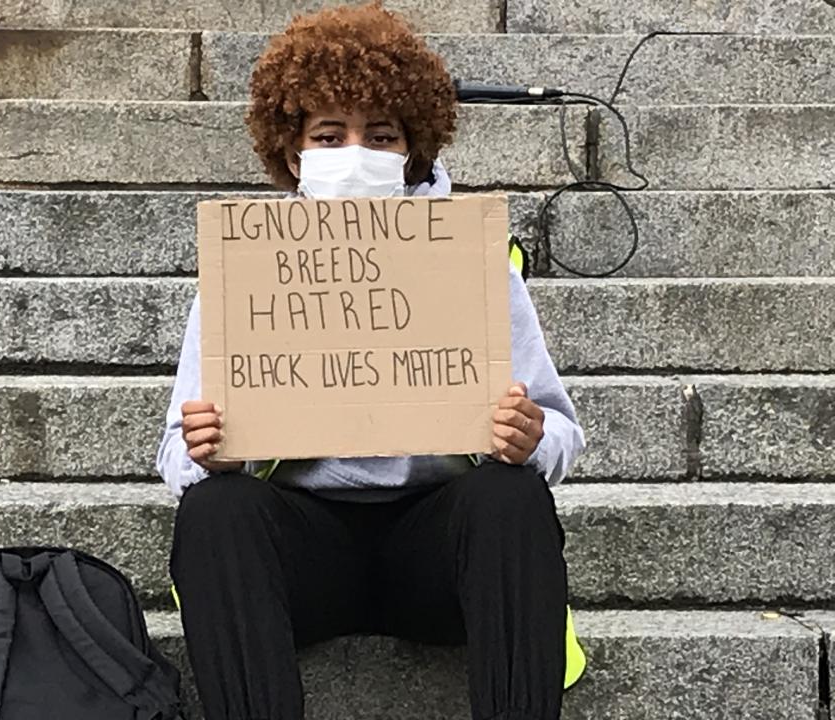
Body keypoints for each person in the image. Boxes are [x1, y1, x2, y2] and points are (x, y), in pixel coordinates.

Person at [156, 3, 587, 719]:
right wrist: (209, 453)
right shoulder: (247, 267)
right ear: (294, 155)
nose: (355, 152)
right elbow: (175, 452)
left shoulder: (475, 264)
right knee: (216, 511)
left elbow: (565, 438)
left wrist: (533, 436)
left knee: (510, 497)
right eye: (330, 135)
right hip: (301, 553)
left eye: (380, 135)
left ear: (412, 150)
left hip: (439, 552)